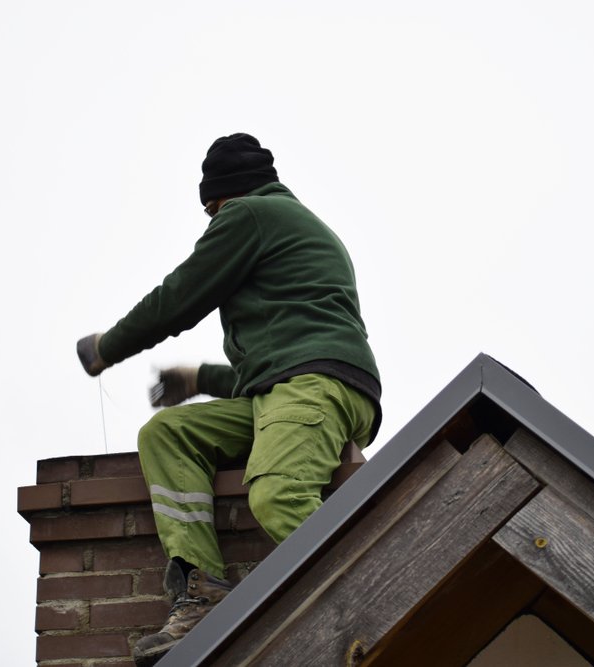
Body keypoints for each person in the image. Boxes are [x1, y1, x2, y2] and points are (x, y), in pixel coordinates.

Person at [75, 133, 381, 667]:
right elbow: (274, 365)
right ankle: (203, 591)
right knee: (168, 434)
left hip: (317, 388)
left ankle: (376, 600)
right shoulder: (284, 226)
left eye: (210, 209)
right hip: (294, 388)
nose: (211, 221)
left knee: (278, 494)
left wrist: (108, 346)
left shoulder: (249, 214)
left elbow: (180, 296)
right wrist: (199, 378)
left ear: (225, 195)